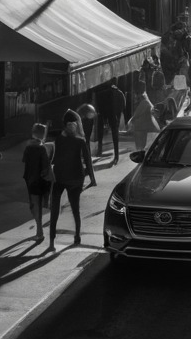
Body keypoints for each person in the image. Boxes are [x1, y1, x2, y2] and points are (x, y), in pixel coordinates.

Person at [49, 118, 96, 251]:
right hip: (76, 178)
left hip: (59, 177)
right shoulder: (80, 141)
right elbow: (87, 160)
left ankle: (52, 241)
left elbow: (53, 157)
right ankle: (77, 236)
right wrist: (92, 178)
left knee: (55, 209)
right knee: (76, 209)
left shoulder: (58, 140)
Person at [22, 123, 53, 242]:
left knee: (34, 205)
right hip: (40, 180)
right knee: (38, 205)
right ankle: (39, 230)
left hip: (30, 179)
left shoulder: (29, 147)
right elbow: (45, 166)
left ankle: (39, 231)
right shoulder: (41, 148)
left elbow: (24, 160)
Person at [95, 79, 126, 164]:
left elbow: (98, 106)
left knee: (100, 132)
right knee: (115, 135)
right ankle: (116, 155)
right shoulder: (118, 92)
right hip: (114, 115)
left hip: (103, 113)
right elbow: (123, 105)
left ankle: (100, 150)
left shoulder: (100, 92)